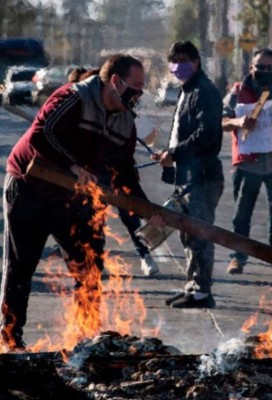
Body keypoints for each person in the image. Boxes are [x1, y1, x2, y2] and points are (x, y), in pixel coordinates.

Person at [1, 54, 159, 351]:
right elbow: (41, 135)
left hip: (73, 197)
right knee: (21, 268)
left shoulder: (127, 122)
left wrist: (149, 211)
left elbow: (124, 175)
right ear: (116, 81)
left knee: (89, 267)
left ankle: (86, 339)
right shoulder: (75, 98)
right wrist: (73, 165)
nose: (139, 94)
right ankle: (10, 340)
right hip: (29, 187)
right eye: (135, 87)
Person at [67, 66, 160, 276]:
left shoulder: (122, 112)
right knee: (91, 221)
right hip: (92, 180)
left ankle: (145, 255)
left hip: (118, 175)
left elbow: (146, 135)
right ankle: (92, 261)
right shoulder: (79, 109)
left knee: (130, 218)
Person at [153, 41, 224, 308]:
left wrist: (176, 153)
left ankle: (202, 293)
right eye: (174, 60)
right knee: (188, 234)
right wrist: (168, 154)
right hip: (187, 176)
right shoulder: (186, 90)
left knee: (200, 233)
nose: (178, 65)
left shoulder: (204, 91)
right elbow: (182, 135)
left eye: (184, 59)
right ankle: (193, 287)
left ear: (196, 62)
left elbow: (206, 134)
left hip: (203, 177)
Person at [222, 48, 272, 275]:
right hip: (248, 163)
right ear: (251, 68)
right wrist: (239, 122)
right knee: (242, 213)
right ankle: (237, 257)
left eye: (269, 68)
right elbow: (221, 121)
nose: (265, 71)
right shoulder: (238, 92)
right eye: (260, 67)